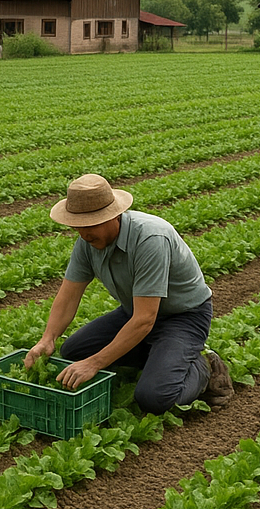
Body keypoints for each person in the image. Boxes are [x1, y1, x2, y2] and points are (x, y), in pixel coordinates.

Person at [25, 174, 233, 415]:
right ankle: (163, 358)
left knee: (153, 398)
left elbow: (145, 319)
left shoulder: (150, 239)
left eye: (90, 224)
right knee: (73, 351)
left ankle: (202, 366)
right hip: (134, 313)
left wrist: (96, 363)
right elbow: (68, 296)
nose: (83, 234)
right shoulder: (87, 242)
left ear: (113, 216)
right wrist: (47, 339)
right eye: (77, 226)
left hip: (182, 317)